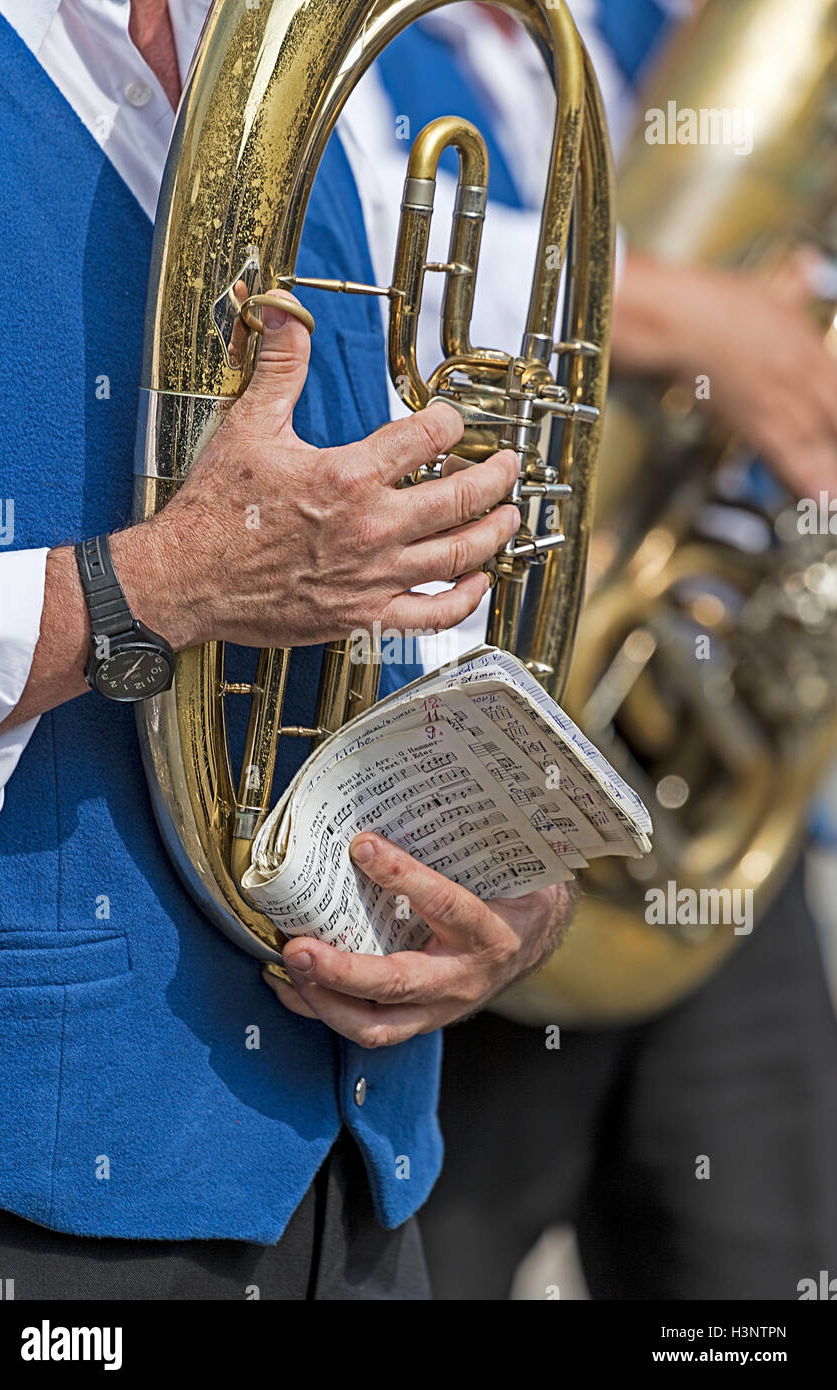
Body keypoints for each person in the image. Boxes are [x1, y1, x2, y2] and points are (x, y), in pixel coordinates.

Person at [0, 0, 574, 1301]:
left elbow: (375, 565)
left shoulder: (280, 74)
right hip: (31, 1214)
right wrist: (163, 582)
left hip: (354, 1183)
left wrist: (492, 881)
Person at [355, 2, 837, 1299]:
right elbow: (339, 255)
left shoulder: (620, 37)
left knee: (760, 1274)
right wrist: (686, 316)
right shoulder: (350, 42)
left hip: (691, 827)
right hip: (458, 801)